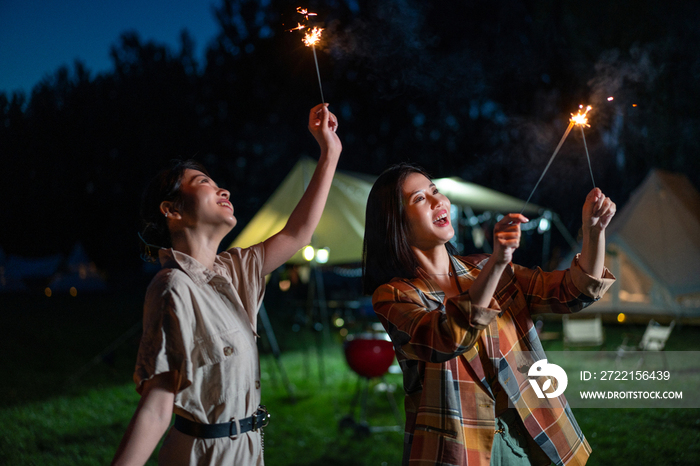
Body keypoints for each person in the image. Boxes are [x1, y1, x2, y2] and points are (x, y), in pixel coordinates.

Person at [111, 103, 342, 466]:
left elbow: (298, 233)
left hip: (248, 452)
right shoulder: (173, 286)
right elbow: (157, 408)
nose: (224, 191)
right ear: (171, 210)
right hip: (203, 455)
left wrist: (329, 152)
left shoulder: (234, 270)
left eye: (219, 184)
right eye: (204, 183)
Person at [362, 164, 616, 466]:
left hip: (525, 434)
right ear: (395, 221)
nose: (438, 201)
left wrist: (594, 232)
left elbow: (572, 293)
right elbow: (446, 338)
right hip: (456, 449)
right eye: (419, 199)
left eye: (435, 191)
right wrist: (496, 264)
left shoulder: (486, 268)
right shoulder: (395, 295)